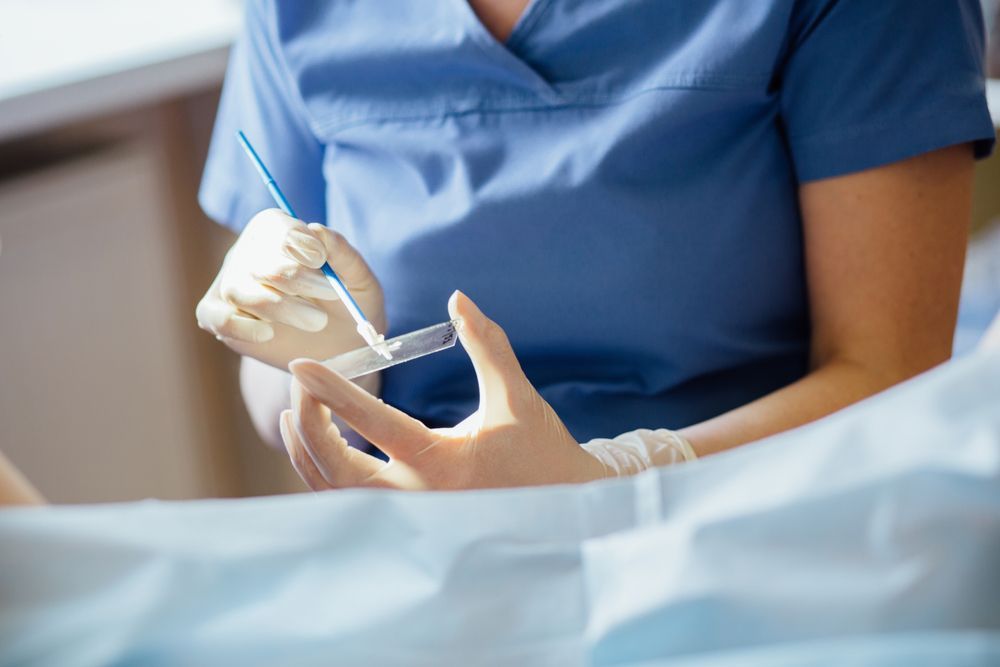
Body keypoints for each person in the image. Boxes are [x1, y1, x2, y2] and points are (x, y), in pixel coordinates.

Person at [196, 0, 996, 488]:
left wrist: (624, 471)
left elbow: (889, 369)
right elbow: (281, 396)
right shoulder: (297, 11)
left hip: (754, 513)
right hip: (430, 554)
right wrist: (318, 365)